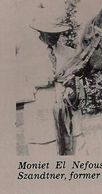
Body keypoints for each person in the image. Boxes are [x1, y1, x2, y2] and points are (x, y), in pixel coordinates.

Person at [30, 17, 86, 155]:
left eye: (57, 33)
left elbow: (79, 79)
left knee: (77, 152)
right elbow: (18, 85)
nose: (55, 36)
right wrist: (43, 81)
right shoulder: (27, 54)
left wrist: (72, 86)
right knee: (45, 154)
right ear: (40, 32)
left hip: (69, 113)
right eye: (51, 33)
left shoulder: (70, 53)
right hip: (41, 114)